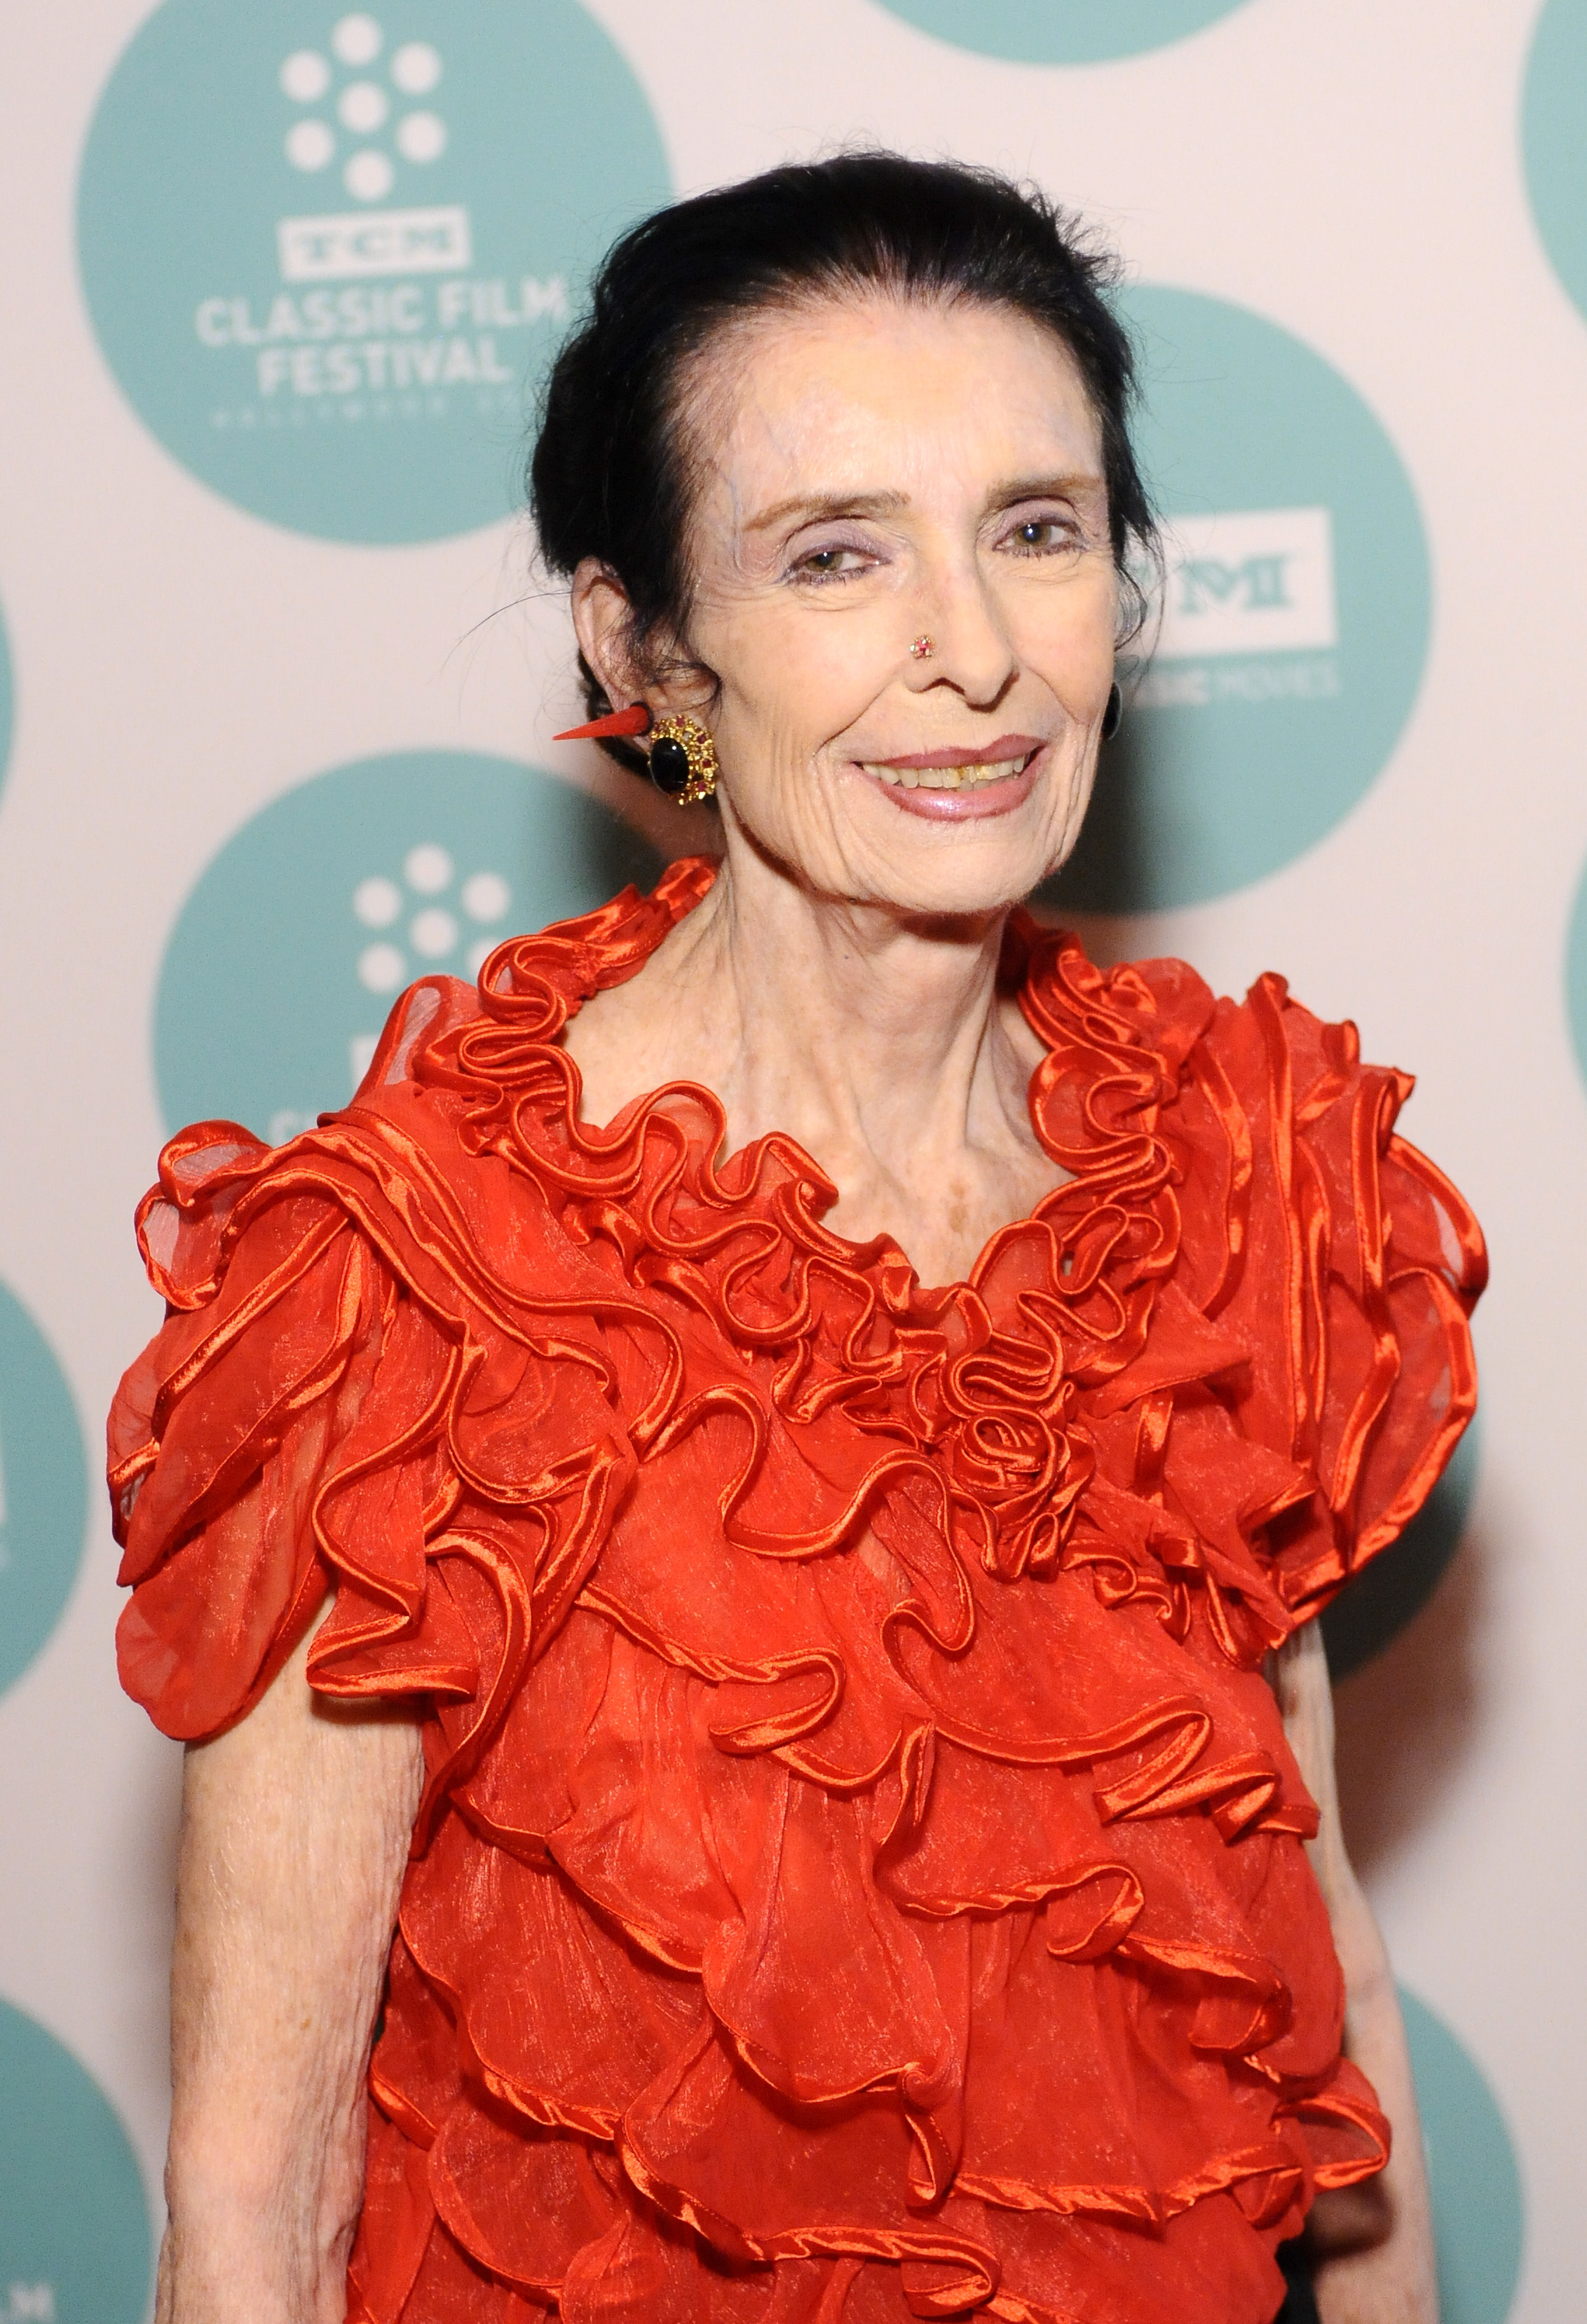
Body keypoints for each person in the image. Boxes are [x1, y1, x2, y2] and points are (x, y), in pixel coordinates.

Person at [111, 156, 1484, 2324]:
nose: (972, 649)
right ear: (643, 645)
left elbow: (1328, 2017)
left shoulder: (1244, 1189)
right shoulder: (404, 1281)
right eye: (836, 554)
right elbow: (248, 2198)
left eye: (1036, 529)